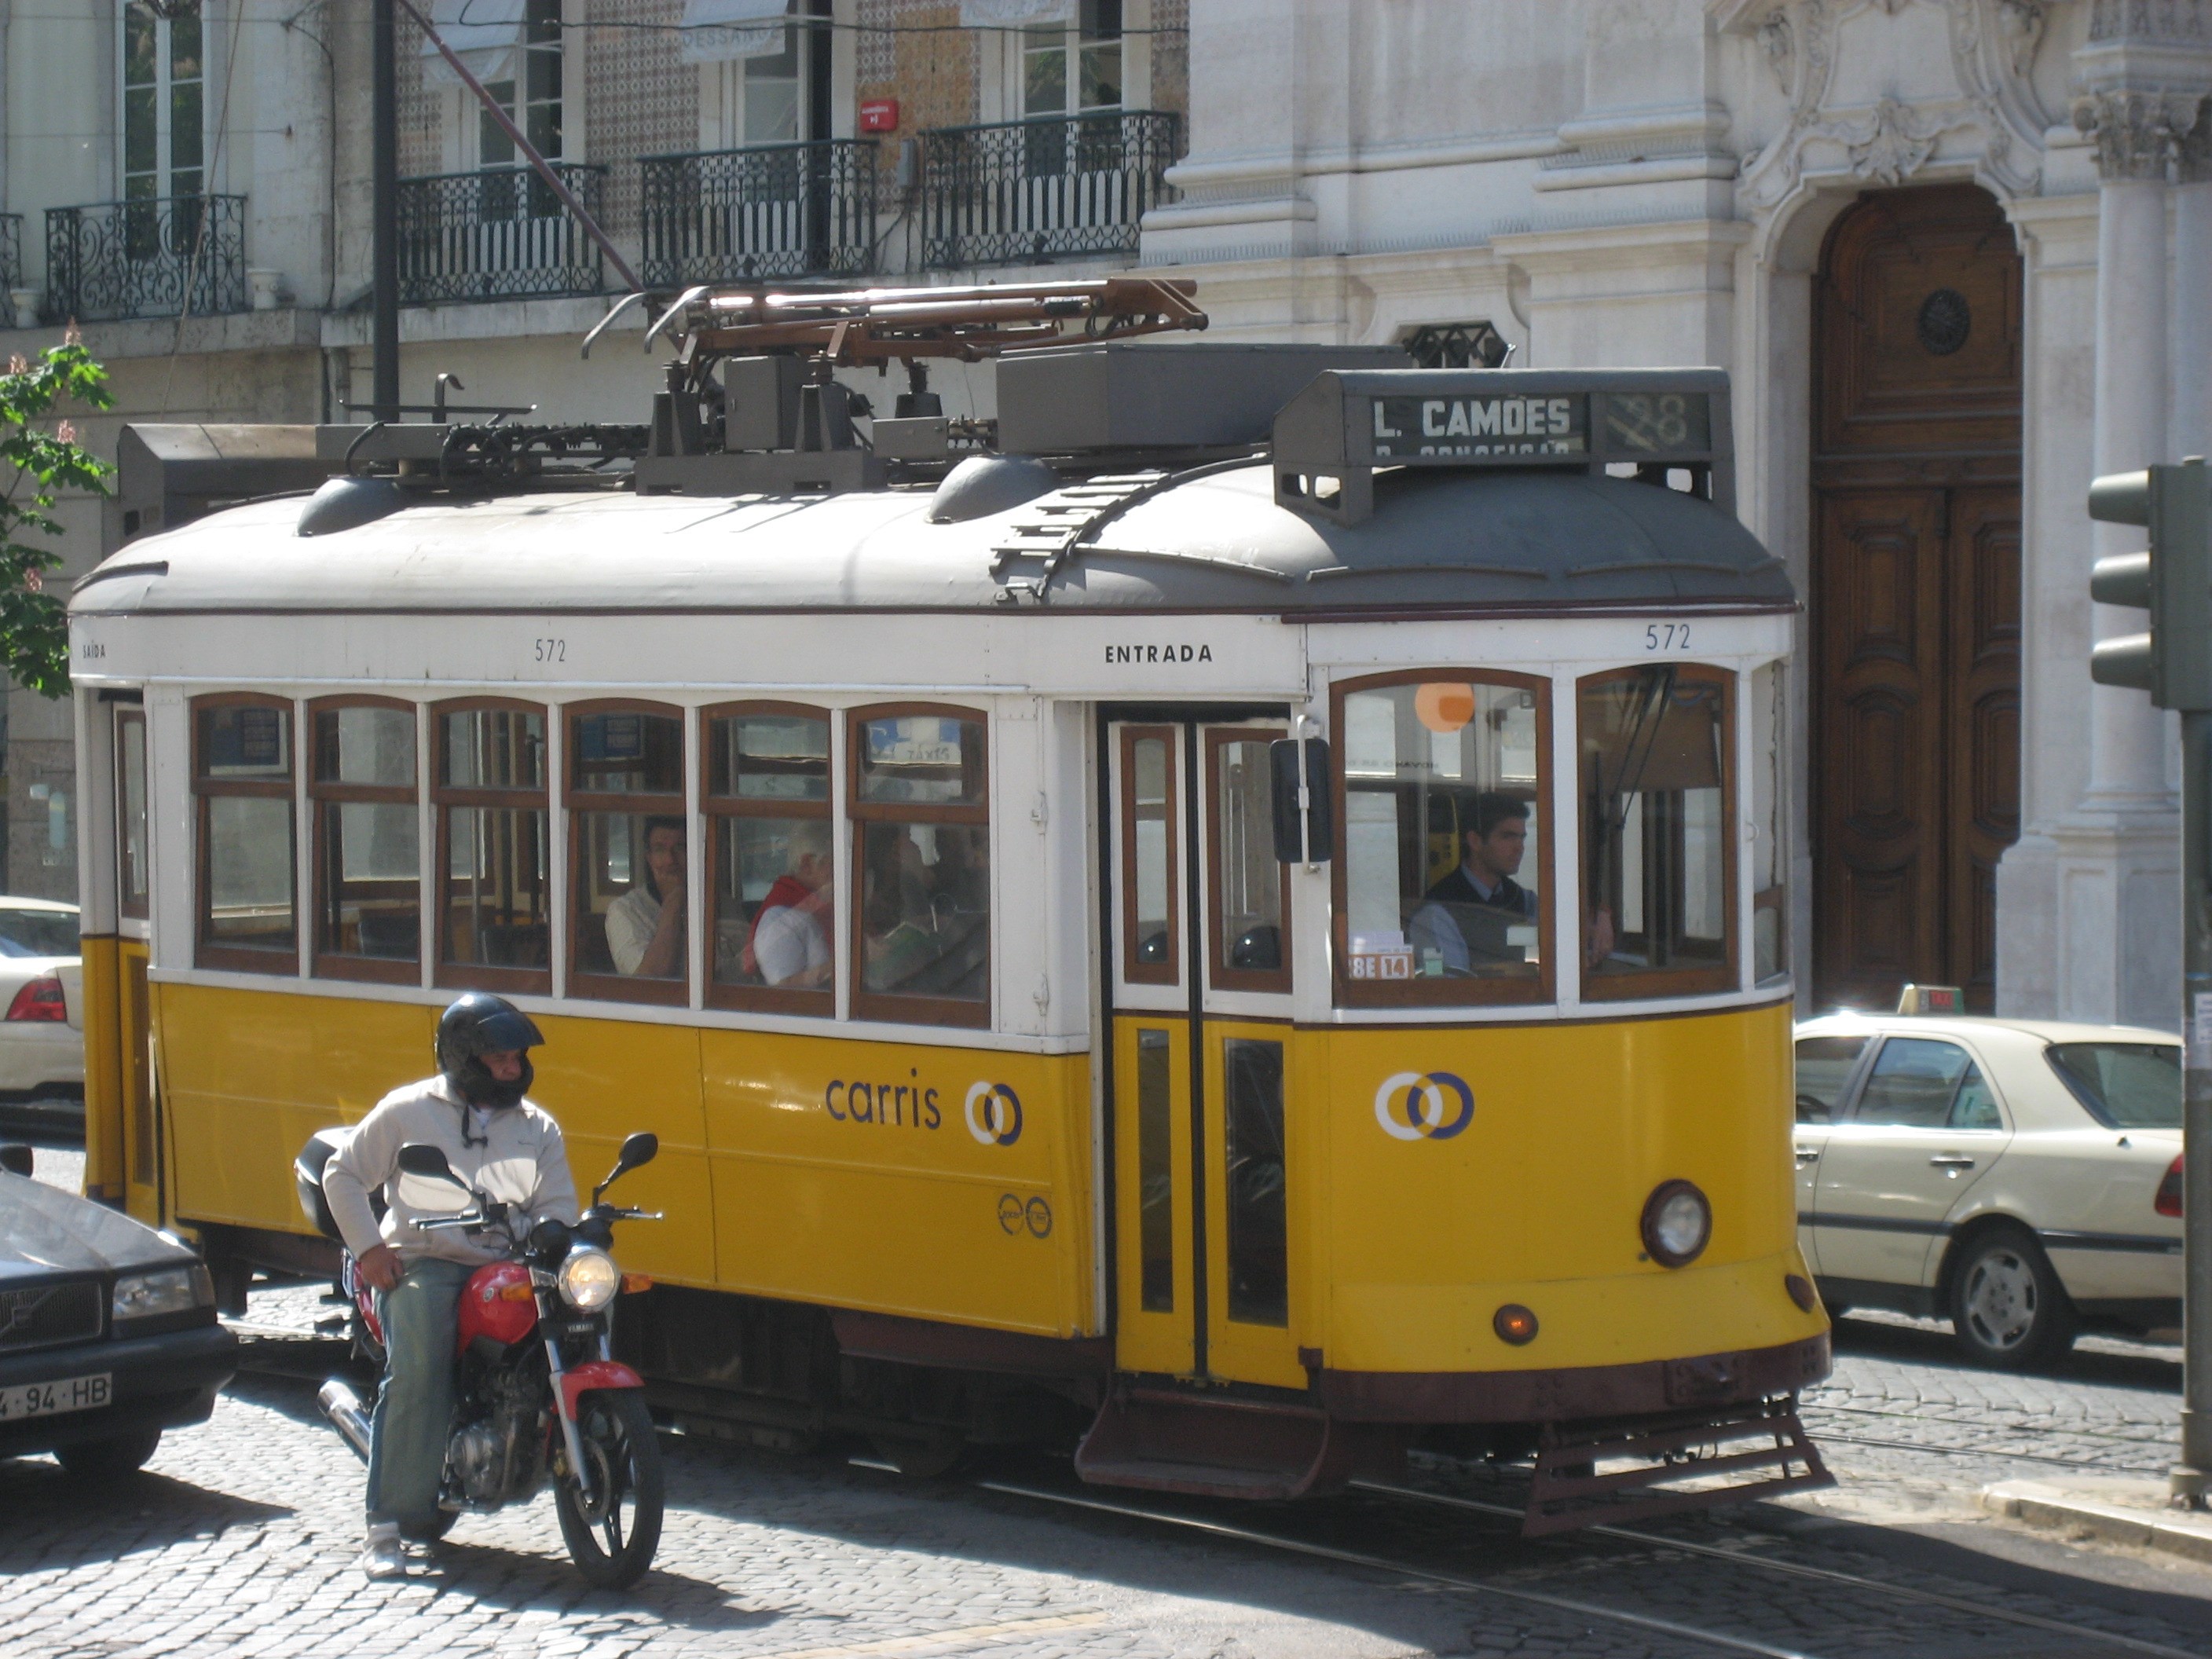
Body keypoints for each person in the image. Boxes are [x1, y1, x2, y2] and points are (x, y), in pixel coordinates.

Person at [322, 994, 578, 1580]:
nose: (515, 1068)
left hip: (508, 1265)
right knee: (419, 1366)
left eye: (517, 1058)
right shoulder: (408, 1110)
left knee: (579, 1314)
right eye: (502, 1060)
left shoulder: (537, 1127)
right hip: (424, 1262)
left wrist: (557, 1233)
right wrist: (370, 1250)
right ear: (465, 1058)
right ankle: (385, 1526)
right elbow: (342, 1173)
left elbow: (556, 1203)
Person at [1408, 792, 1539, 974]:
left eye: (1522, 837)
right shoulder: (1438, 912)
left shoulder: (1525, 900)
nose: (1520, 848)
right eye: (1508, 837)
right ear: (1475, 841)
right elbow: (1452, 986)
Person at [747, 822, 833, 987]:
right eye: (835, 863)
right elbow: (783, 990)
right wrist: (854, 961)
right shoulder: (779, 919)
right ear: (807, 864)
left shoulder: (821, 905)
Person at [605, 816, 684, 977]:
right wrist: (675, 900)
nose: (670, 860)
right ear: (649, 858)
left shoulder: (722, 903)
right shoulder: (624, 910)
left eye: (680, 848)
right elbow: (650, 979)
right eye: (660, 849)